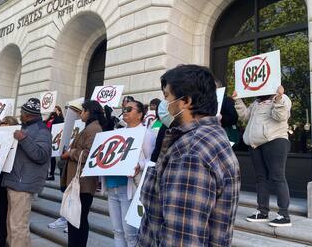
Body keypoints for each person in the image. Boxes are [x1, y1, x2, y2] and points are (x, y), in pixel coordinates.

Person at [137, 65, 241, 246]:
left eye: (167, 96)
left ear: (185, 101)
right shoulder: (210, 137)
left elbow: (181, 238)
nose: (164, 104)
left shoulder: (190, 152)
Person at [233, 86, 292, 227]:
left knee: (277, 176)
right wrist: (238, 100)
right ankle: (262, 211)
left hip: (275, 140)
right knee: (261, 178)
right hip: (255, 144)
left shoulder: (282, 98)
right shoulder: (256, 102)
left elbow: (281, 116)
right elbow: (244, 116)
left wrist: (278, 98)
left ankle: (284, 214)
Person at [102, 100, 155, 247]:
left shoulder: (147, 134)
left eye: (129, 109)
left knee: (130, 234)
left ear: (140, 115)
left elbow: (152, 160)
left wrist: (140, 165)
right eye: (124, 109)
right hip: (113, 186)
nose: (125, 111)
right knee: (117, 231)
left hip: (129, 188)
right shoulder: (118, 132)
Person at [2, 98, 52, 247]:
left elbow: (41, 155)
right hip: (16, 181)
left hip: (24, 183)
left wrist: (24, 139)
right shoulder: (26, 128)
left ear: (28, 114)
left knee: (18, 226)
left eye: (21, 113)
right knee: (12, 224)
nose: (19, 115)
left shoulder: (42, 131)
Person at [61, 100, 106, 247]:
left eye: (84, 110)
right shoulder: (89, 128)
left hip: (83, 183)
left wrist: (70, 153)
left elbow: (89, 155)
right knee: (74, 220)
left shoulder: (94, 129)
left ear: (90, 112)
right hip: (78, 181)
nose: (81, 113)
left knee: (78, 220)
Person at [0, 116, 19, 247]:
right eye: (1, 123)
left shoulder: (16, 141)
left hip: (7, 182)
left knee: (3, 216)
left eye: (4, 124)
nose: (1, 125)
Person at [215, 80, 239, 144]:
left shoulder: (227, 100)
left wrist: (222, 117)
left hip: (226, 135)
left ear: (219, 88)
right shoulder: (209, 101)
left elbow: (234, 118)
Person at [45, 106, 64, 181]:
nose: (54, 111)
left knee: (52, 157)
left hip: (53, 139)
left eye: (56, 110)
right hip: (47, 138)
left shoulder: (59, 118)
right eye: (54, 109)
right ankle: (46, 173)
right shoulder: (50, 118)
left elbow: (59, 125)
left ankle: (52, 174)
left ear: (59, 111)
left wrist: (57, 115)